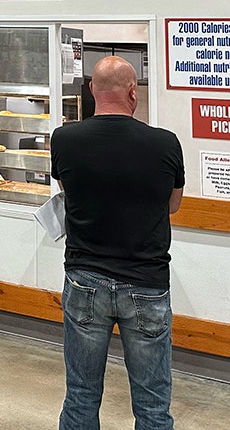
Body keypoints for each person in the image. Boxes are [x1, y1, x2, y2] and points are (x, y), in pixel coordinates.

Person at [51, 56, 184, 430]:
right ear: (132, 92)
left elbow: (68, 190)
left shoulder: (64, 139)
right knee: (153, 404)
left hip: (84, 280)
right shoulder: (165, 144)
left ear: (92, 90)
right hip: (146, 283)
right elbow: (173, 204)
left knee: (81, 396)